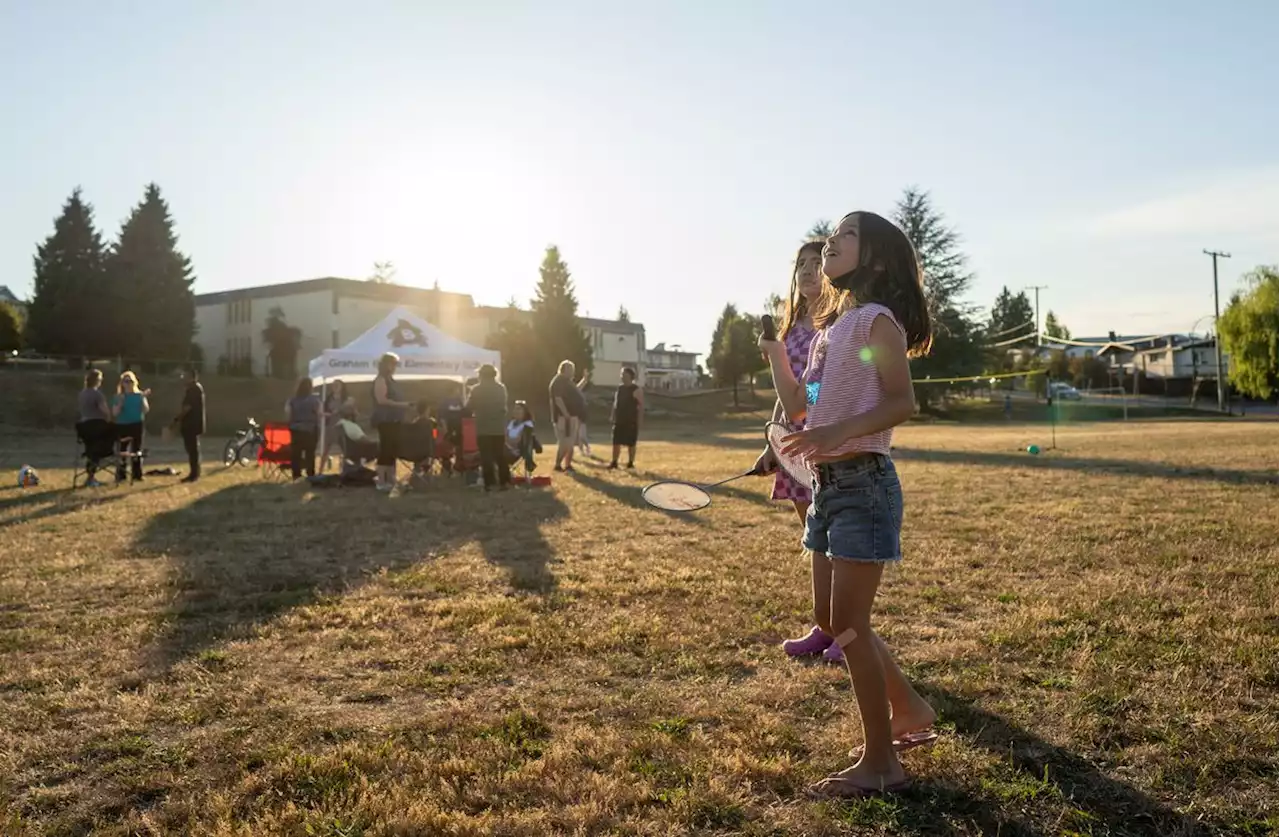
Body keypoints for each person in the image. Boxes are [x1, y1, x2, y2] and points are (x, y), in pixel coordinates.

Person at [759, 211, 936, 799]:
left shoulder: (876, 323)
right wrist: (779, 376)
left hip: (863, 485)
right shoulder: (832, 331)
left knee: (852, 627)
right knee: (833, 620)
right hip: (828, 489)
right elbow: (805, 407)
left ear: (877, 259)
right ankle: (908, 707)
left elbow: (900, 402)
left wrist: (836, 436)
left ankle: (882, 762)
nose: (830, 243)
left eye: (845, 235)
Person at [755, 241, 842, 663]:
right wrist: (772, 441)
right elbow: (784, 390)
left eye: (815, 263)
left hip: (825, 439)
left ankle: (848, 630)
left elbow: (813, 387)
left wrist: (802, 405)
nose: (808, 270)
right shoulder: (790, 328)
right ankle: (824, 628)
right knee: (814, 537)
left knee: (839, 540)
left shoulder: (838, 323)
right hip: (791, 445)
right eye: (801, 264)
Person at [371, 352, 412, 492]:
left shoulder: (391, 379)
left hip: (395, 420)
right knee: (385, 449)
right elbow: (381, 400)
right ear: (385, 365)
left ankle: (391, 478)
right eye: (392, 364)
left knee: (392, 449)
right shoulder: (381, 380)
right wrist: (402, 405)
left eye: (395, 364)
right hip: (385, 419)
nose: (394, 367)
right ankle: (381, 480)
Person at [466, 364, 511, 491]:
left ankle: (489, 483)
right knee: (500, 455)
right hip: (498, 427)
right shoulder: (501, 388)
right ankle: (505, 481)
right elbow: (503, 407)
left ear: (481, 375)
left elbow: (468, 407)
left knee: (486, 457)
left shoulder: (476, 390)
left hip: (483, 428)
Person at [77, 369, 113, 487]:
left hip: (84, 427)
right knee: (99, 448)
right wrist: (109, 418)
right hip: (96, 426)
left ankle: (90, 473)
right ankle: (92, 475)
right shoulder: (97, 394)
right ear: (97, 380)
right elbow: (105, 411)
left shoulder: (82, 393)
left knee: (91, 450)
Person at [112, 371, 150, 483]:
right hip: (122, 425)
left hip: (137, 424)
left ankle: (137, 474)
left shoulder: (139, 395)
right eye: (126, 381)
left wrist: (143, 398)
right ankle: (121, 474)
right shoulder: (118, 396)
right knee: (122, 450)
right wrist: (121, 402)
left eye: (131, 381)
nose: (128, 384)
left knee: (136, 450)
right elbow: (115, 413)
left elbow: (145, 410)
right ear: (122, 383)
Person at [285, 377, 323, 480]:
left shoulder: (292, 400)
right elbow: (319, 413)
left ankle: (296, 475)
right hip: (310, 429)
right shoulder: (315, 400)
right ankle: (310, 474)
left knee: (296, 454)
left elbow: (288, 414)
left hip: (296, 429)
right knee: (310, 453)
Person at [549, 360, 583, 473]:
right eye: (571, 370)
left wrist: (585, 380)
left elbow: (577, 390)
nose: (573, 372)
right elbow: (558, 399)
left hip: (571, 416)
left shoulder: (568, 382)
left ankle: (568, 465)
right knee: (565, 442)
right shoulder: (559, 382)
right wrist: (566, 414)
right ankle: (558, 464)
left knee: (570, 441)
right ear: (564, 370)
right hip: (563, 417)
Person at [608, 367, 644, 469]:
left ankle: (630, 463)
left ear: (630, 377)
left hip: (631, 420)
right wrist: (612, 415)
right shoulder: (620, 388)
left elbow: (641, 406)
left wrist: (640, 420)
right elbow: (615, 403)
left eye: (625, 375)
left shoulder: (636, 389)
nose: (622, 377)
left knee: (631, 443)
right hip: (619, 419)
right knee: (616, 441)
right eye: (622, 375)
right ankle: (614, 462)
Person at [175, 366, 205, 483]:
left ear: (191, 377)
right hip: (193, 423)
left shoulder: (193, 389)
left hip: (191, 423)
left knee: (192, 449)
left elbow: (188, 407)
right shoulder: (196, 388)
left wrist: (178, 418)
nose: (183, 378)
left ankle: (194, 474)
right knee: (193, 449)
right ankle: (195, 472)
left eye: (185, 376)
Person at [320, 379, 351, 472]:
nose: (335, 387)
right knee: (325, 449)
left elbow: (352, 411)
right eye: (334, 385)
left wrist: (343, 410)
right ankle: (320, 470)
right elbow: (322, 412)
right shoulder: (328, 399)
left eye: (337, 385)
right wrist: (327, 414)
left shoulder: (346, 399)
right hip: (330, 426)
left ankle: (345, 469)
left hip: (343, 426)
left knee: (345, 449)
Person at [505, 401, 538, 472]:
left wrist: (509, 442)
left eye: (519, 409)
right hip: (506, 448)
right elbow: (505, 436)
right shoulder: (512, 423)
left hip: (515, 452)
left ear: (525, 412)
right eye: (515, 409)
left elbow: (520, 440)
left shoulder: (527, 425)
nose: (516, 411)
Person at [575, 372, 593, 457]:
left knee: (581, 435)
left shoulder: (577, 395)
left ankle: (587, 448)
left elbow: (581, 385)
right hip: (577, 416)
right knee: (579, 435)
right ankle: (581, 450)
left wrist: (585, 378)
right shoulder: (576, 394)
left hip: (580, 416)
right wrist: (585, 378)